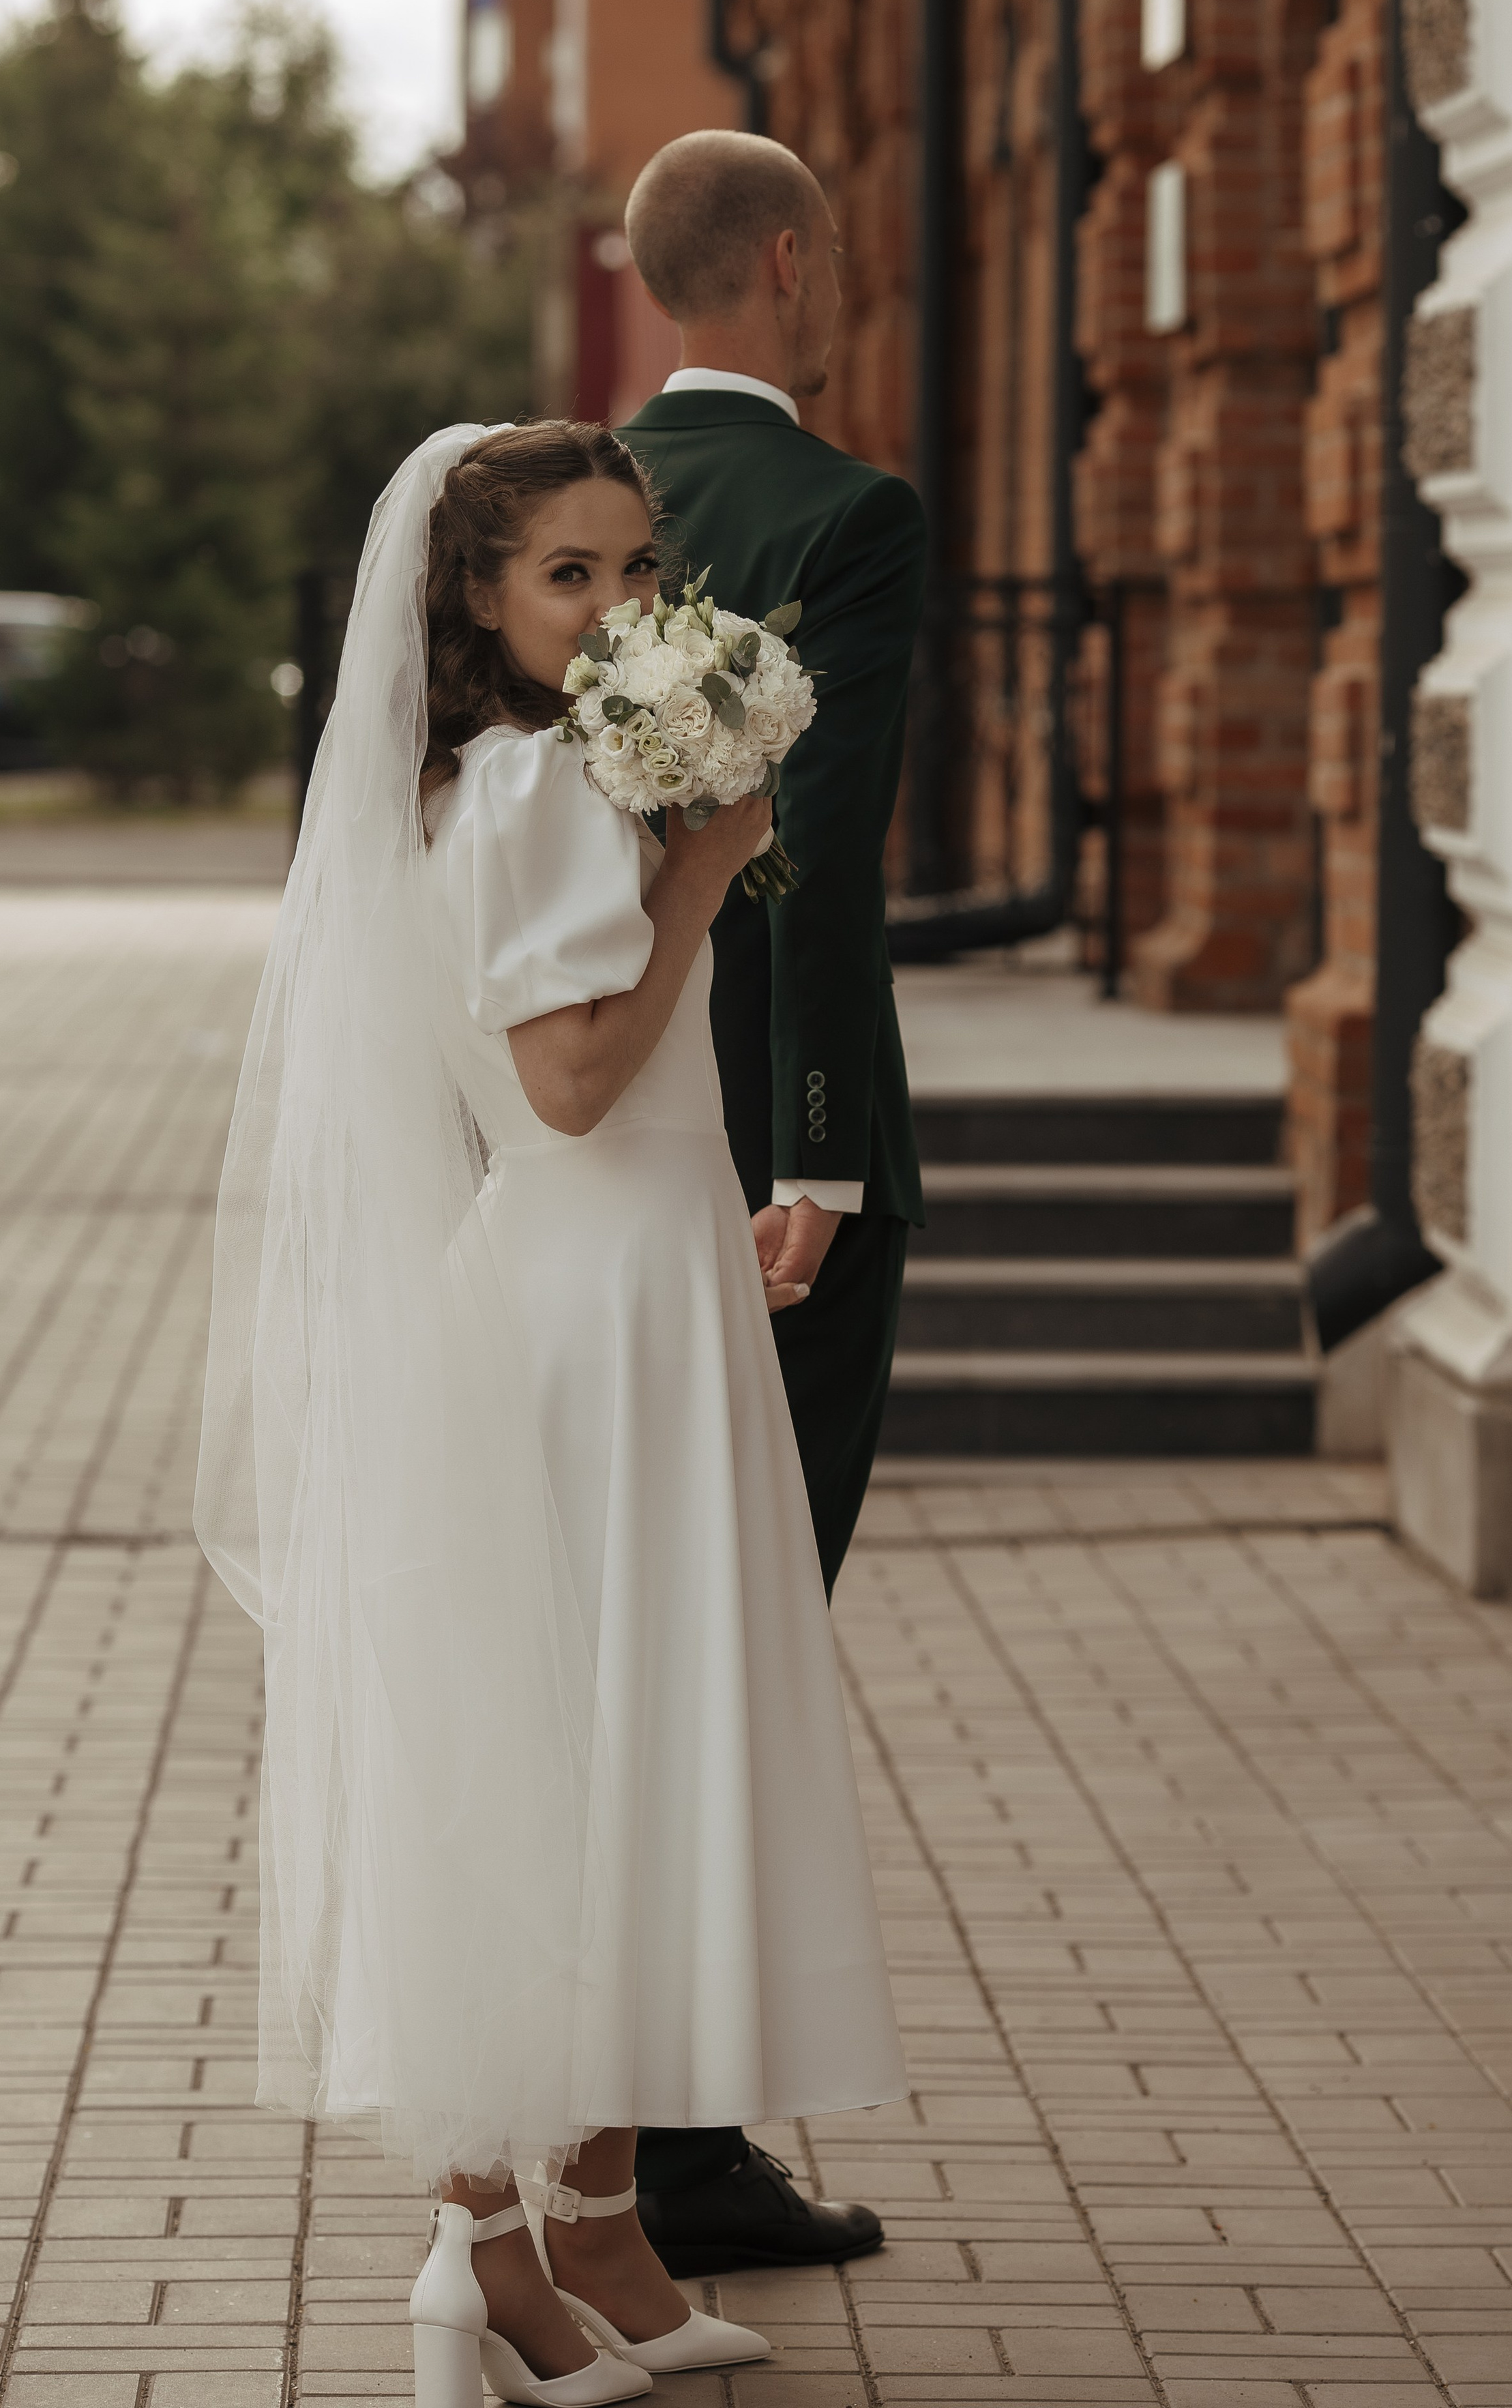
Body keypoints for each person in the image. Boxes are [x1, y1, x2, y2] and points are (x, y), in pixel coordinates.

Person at [193, 420, 906, 2408]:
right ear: (479, 603)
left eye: (634, 568)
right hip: (593, 1301)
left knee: (598, 1761)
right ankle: (502, 2249)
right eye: (565, 576)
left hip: (632, 1285)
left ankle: (571, 2229)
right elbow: (578, 1081)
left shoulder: (528, 774)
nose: (613, 607)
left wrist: (676, 832)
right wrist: (706, 860)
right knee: (583, 1754)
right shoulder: (528, 792)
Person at [617, 132, 925, 2275]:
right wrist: (815, 1148)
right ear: (793, 265)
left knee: (618, 1627)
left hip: (580, 1129)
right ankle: (686, 2146)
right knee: (740, 1634)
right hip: (760, 1152)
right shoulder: (847, 517)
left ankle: (606, 2116)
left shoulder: (551, 514)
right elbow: (813, 851)